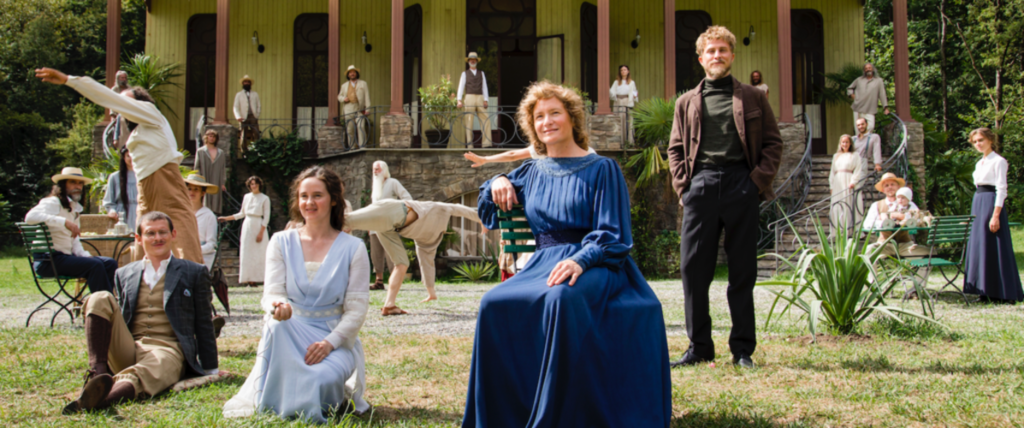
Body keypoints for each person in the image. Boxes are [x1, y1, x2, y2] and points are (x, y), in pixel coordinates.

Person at [463, 81, 671, 427]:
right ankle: (503, 417)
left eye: (554, 113)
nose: (547, 121)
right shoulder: (531, 171)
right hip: (543, 263)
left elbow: (614, 234)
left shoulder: (602, 169)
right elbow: (487, 204)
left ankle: (556, 417)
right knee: (492, 302)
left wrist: (581, 259)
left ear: (572, 118)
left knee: (561, 298)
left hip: (599, 264)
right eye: (539, 116)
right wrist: (498, 179)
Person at [666, 26, 783, 369]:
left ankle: (742, 349)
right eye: (710, 51)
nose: (717, 55)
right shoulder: (686, 101)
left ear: (732, 55)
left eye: (722, 50)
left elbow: (774, 144)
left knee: (742, 270)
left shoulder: (753, 97)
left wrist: (755, 183)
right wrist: (684, 188)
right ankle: (699, 346)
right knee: (693, 270)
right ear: (701, 59)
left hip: (741, 184)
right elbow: (675, 148)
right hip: (700, 186)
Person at [223, 166, 370, 422]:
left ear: (333, 199)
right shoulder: (280, 241)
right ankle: (284, 387)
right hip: (289, 334)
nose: (309, 202)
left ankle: (319, 388)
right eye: (303, 196)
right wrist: (278, 305)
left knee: (318, 381)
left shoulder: (354, 248)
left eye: (317, 195)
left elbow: (356, 309)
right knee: (275, 326)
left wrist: (329, 344)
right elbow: (272, 293)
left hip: (332, 338)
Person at [35, 67, 204, 265]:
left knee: (182, 232)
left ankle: (197, 286)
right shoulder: (137, 132)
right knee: (143, 237)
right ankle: (141, 290)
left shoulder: (152, 114)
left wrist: (70, 80)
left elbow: (111, 99)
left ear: (141, 103)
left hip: (165, 181)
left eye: (127, 101)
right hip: (145, 186)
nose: (123, 106)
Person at [62, 211, 218, 415]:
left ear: (173, 234)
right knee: (99, 297)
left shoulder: (194, 271)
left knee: (146, 371)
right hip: (130, 346)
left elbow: (204, 322)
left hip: (168, 349)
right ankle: (97, 375)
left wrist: (211, 369)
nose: (157, 238)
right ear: (138, 239)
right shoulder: (124, 272)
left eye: (163, 232)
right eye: (150, 233)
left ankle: (100, 400)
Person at [347, 199, 482, 314]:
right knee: (345, 220)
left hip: (392, 228)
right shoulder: (439, 210)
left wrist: (431, 293)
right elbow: (459, 209)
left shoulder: (428, 241)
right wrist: (481, 220)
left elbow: (427, 263)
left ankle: (389, 305)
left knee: (402, 263)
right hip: (395, 210)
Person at [25, 167, 118, 294]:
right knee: (95, 266)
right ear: (63, 185)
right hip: (48, 260)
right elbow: (29, 217)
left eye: (80, 183)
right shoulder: (52, 202)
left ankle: (107, 303)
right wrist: (64, 222)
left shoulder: (74, 209)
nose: (78, 186)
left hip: (64, 258)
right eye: (73, 182)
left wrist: (87, 257)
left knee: (109, 263)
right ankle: (102, 309)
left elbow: (75, 241)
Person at [964, 128, 1023, 303]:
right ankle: (984, 291)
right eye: (975, 142)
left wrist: (995, 215)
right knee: (981, 246)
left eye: (981, 140)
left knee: (995, 245)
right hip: (978, 203)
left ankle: (1003, 293)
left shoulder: (999, 161)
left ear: (990, 140)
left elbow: (1001, 189)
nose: (978, 144)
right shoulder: (979, 163)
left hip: (991, 204)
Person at [861, 173, 929, 257]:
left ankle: (917, 270)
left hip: (905, 245)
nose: (890, 187)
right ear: (883, 190)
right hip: (885, 245)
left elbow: (919, 219)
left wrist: (905, 218)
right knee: (868, 251)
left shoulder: (909, 204)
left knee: (929, 252)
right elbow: (867, 224)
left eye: (892, 184)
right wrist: (884, 223)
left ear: (898, 187)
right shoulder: (877, 205)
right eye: (886, 185)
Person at [219, 176, 270, 286]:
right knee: (247, 253)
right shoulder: (246, 197)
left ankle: (261, 278)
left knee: (260, 253)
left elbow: (266, 217)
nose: (254, 186)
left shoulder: (265, 198)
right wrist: (226, 218)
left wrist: (261, 232)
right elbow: (241, 214)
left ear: (259, 185)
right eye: (252, 184)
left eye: (256, 183)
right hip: (247, 225)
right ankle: (249, 279)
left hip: (258, 225)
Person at [369, 160, 412, 290]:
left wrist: (398, 215)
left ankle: (394, 281)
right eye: (373, 169)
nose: (375, 172)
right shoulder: (375, 185)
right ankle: (379, 281)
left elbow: (407, 198)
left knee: (391, 253)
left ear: (384, 169)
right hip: (374, 224)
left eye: (377, 169)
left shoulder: (393, 182)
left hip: (389, 223)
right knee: (376, 253)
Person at [828, 134, 864, 236]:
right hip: (838, 182)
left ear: (850, 143)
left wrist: (853, 181)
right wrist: (831, 185)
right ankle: (838, 230)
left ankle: (851, 230)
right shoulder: (836, 156)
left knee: (849, 204)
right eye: (843, 142)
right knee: (837, 205)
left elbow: (858, 169)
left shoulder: (855, 155)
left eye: (847, 142)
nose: (845, 144)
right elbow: (832, 172)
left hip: (849, 181)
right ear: (840, 143)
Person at [457, 52, 492, 147]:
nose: (472, 61)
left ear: (476, 61)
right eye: (471, 59)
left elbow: (485, 87)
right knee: (469, 120)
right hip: (469, 97)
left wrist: (486, 99)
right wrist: (459, 100)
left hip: (480, 97)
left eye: (474, 59)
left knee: (485, 119)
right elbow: (461, 87)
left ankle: (486, 144)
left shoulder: (481, 73)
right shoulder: (464, 74)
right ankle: (469, 144)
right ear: (468, 61)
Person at [185, 175, 219, 271]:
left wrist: (194, 250)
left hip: (201, 259)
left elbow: (211, 244)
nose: (192, 192)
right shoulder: (181, 214)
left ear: (202, 193)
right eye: (189, 189)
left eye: (196, 189)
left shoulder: (209, 216)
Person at [102, 147, 139, 231]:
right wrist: (111, 211)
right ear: (123, 158)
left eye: (134, 155)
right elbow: (108, 201)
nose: (131, 158)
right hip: (121, 216)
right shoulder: (115, 177)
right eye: (128, 156)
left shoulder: (143, 176)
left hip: (140, 213)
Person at [847, 63, 890, 133]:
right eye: (866, 68)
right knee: (858, 129)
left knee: (871, 127)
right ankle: (859, 142)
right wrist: (851, 94)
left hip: (870, 108)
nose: (868, 69)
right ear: (864, 71)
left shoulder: (878, 81)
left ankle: (866, 141)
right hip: (858, 107)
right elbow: (849, 88)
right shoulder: (859, 80)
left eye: (869, 68)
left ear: (873, 69)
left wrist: (885, 107)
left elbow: (882, 94)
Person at [195, 129, 227, 214]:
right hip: (204, 179)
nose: (212, 138)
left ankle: (214, 217)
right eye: (210, 136)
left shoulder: (221, 153)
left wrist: (223, 182)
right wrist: (199, 180)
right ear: (206, 137)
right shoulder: (201, 151)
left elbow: (223, 168)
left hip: (217, 179)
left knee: (216, 202)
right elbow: (197, 167)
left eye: (213, 136)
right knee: (205, 200)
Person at [338, 65, 370, 148]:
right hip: (348, 107)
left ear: (356, 73)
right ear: (348, 75)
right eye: (350, 72)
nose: (352, 74)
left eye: (354, 72)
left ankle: (362, 146)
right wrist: (343, 99)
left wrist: (368, 108)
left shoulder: (363, 83)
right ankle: (351, 147)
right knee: (350, 129)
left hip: (360, 107)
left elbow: (367, 96)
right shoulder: (344, 85)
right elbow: (339, 96)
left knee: (361, 126)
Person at [609, 64, 639, 143]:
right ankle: (619, 141)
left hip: (627, 101)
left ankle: (628, 141)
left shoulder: (631, 82)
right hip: (618, 101)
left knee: (628, 121)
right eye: (621, 70)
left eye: (625, 70)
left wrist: (635, 95)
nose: (623, 71)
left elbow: (634, 92)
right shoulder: (616, 82)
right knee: (619, 120)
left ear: (628, 71)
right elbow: (612, 92)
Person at [233, 75, 261, 152]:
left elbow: (259, 105)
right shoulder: (239, 94)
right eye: (245, 82)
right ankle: (243, 152)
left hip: (253, 116)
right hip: (243, 116)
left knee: (256, 133)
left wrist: (257, 115)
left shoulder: (255, 94)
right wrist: (238, 116)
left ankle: (257, 150)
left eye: (248, 82)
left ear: (250, 84)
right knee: (243, 134)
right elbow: (235, 107)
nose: (246, 83)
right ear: (243, 83)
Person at [109, 70, 130, 149]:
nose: (124, 79)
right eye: (122, 78)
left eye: (125, 78)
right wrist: (114, 115)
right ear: (118, 78)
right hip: (117, 114)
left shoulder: (129, 89)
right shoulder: (114, 90)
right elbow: (111, 103)